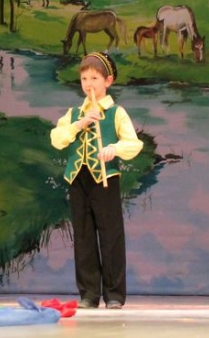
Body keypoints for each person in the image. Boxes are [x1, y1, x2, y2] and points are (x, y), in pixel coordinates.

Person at [50, 52, 143, 310]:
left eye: (94, 78)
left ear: (108, 81)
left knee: (110, 235)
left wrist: (114, 149)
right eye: (84, 79)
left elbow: (133, 144)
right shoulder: (74, 114)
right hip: (77, 178)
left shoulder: (116, 112)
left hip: (105, 178)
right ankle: (89, 294)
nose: (88, 84)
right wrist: (79, 124)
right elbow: (57, 139)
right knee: (83, 236)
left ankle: (114, 294)